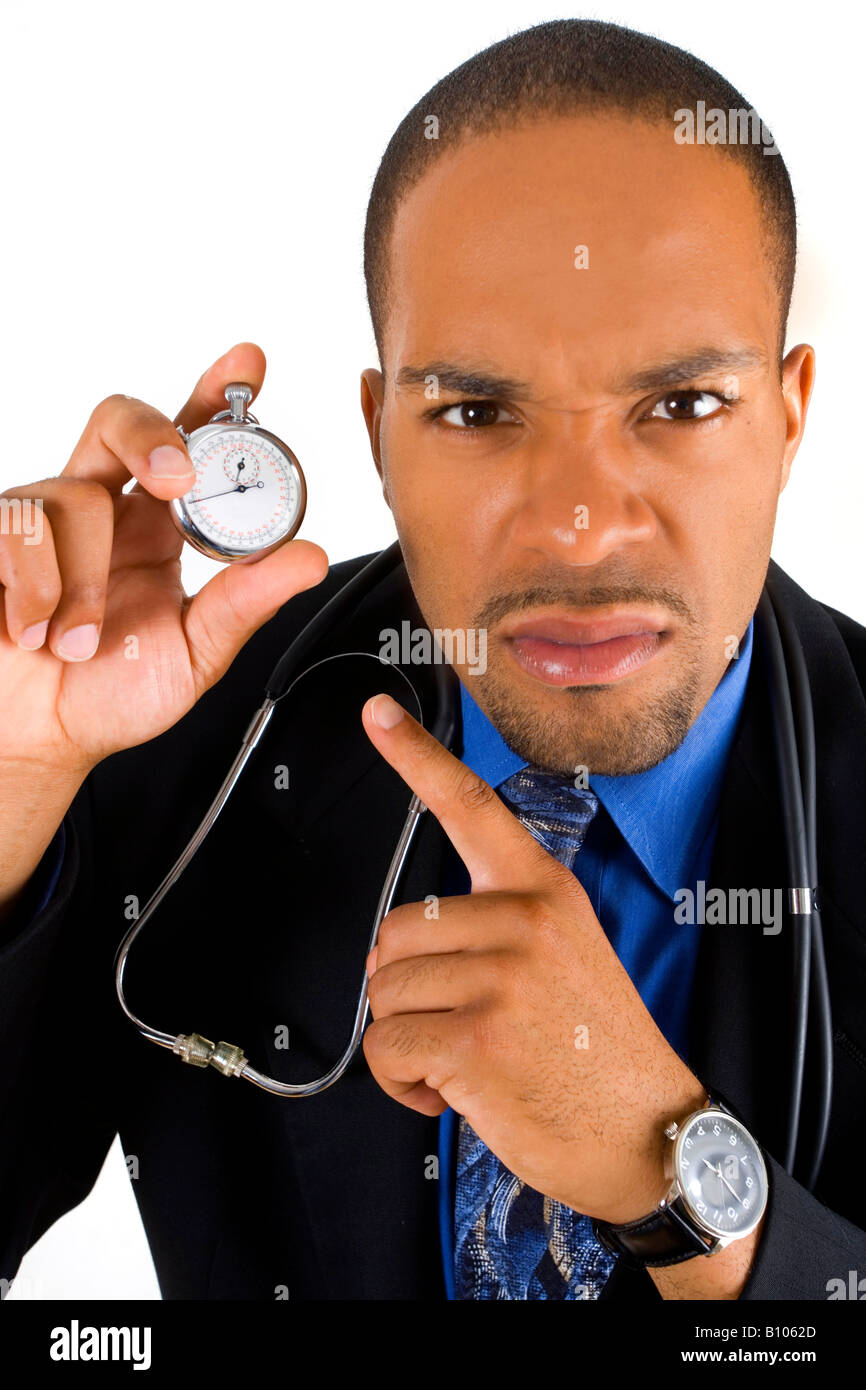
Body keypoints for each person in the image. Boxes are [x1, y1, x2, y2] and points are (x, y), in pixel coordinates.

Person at [1, 17, 865, 1303]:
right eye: (475, 412)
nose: (580, 527)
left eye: (679, 406)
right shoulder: (172, 740)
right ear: (378, 433)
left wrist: (673, 1181)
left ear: (788, 418)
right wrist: (17, 776)